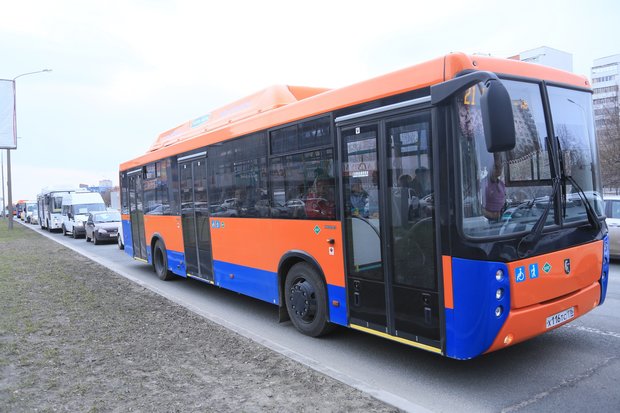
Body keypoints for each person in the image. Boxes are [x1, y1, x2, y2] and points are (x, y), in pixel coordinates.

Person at [482, 153, 506, 221]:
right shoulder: (483, 184)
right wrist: (491, 215)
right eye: (496, 166)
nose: (499, 169)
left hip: (501, 220)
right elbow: (477, 207)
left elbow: (503, 203)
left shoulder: (502, 184)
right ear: (488, 167)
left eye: (500, 166)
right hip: (487, 221)